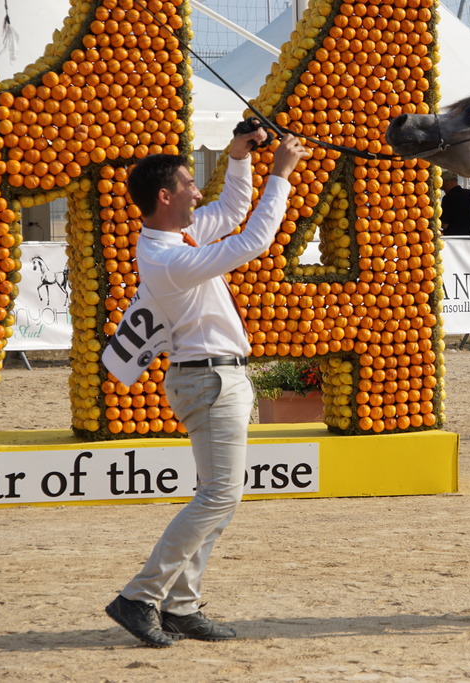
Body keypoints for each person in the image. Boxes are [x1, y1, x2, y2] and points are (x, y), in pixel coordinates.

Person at [104, 126, 309, 648]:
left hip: (214, 377)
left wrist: (240, 156)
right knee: (220, 495)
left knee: (217, 496)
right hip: (209, 378)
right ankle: (140, 597)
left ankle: (181, 605)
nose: (199, 193)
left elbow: (233, 211)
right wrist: (280, 174)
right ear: (166, 197)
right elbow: (253, 241)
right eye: (188, 185)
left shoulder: (176, 240)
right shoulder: (168, 258)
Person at [440, 170, 470, 236]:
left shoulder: (447, 198)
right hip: (469, 238)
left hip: (452, 239)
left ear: (447, 182)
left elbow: (445, 225)